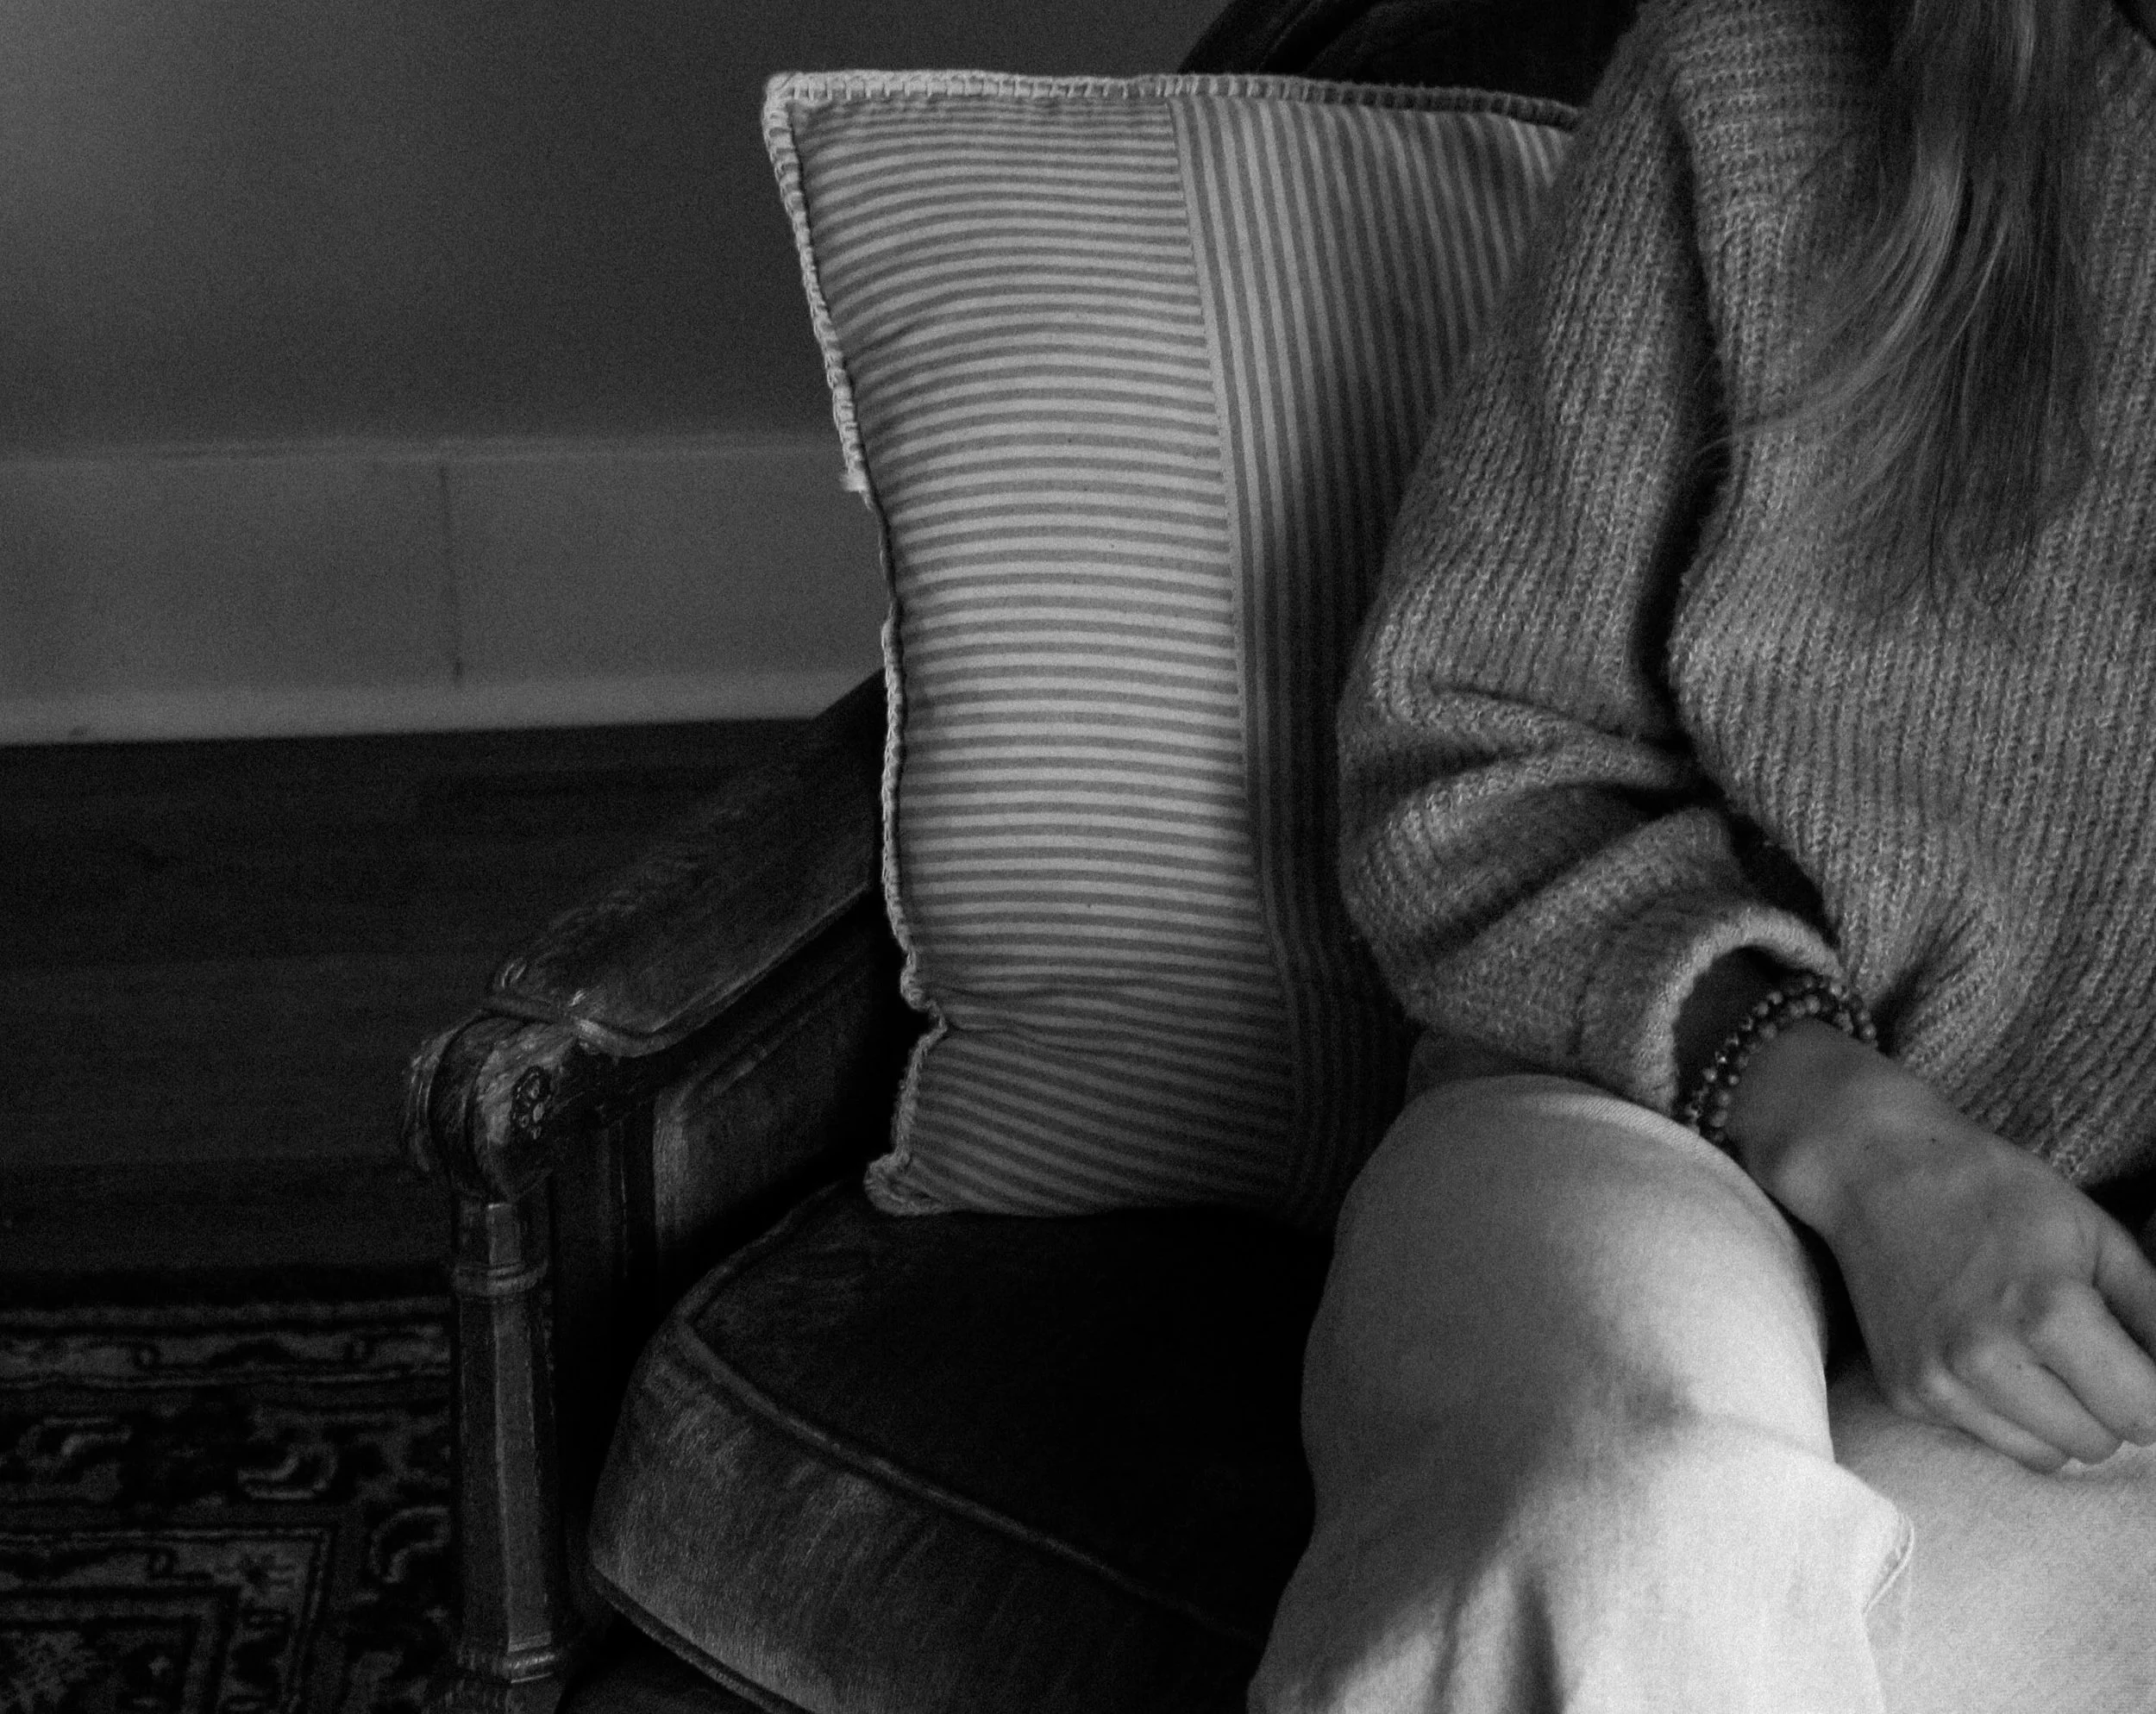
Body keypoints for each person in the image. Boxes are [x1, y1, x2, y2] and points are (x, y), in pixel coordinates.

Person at [1250, 0, 2156, 1707]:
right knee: (1639, 1538)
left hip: (2109, 1324)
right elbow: (1475, 762)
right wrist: (1865, 1139)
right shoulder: (1755, 68)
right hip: (1634, 1109)